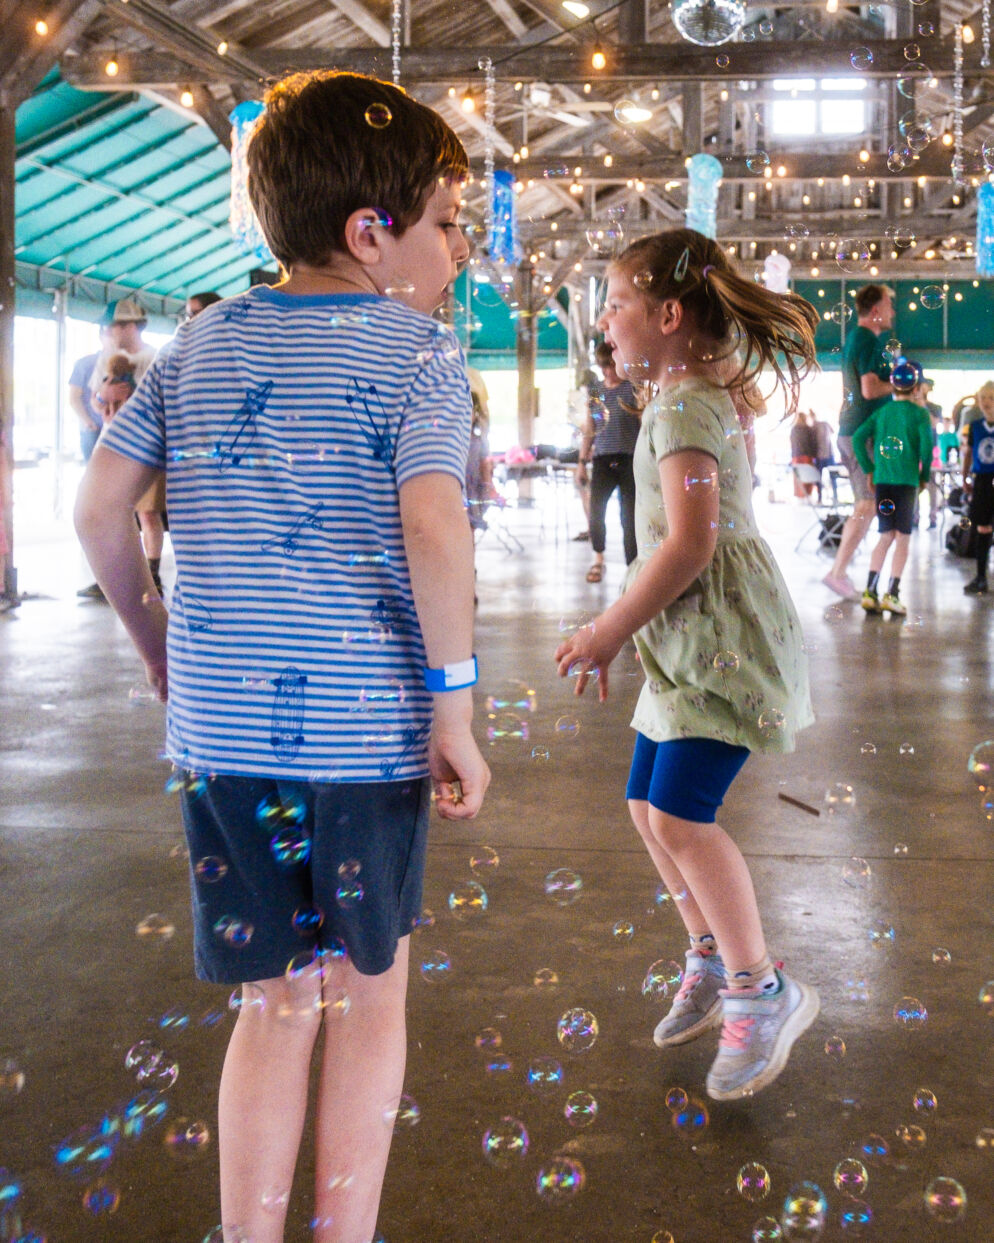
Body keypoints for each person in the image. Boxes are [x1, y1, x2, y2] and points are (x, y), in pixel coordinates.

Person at [75, 69, 491, 1243]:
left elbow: (101, 511)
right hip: (366, 740)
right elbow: (433, 524)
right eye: (447, 225)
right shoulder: (418, 357)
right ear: (372, 233)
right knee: (365, 1004)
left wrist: (159, 645)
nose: (457, 254)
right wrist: (453, 708)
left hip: (222, 741)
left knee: (273, 1007)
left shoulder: (194, 346)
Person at [554, 227, 820, 1102]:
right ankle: (709, 954)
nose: (604, 321)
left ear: (669, 315)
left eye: (617, 303)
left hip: (719, 645)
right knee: (644, 802)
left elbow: (692, 542)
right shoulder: (683, 391)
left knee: (679, 816)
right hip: (690, 640)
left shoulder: (682, 406)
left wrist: (607, 629)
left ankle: (758, 986)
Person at [823, 284, 895, 600]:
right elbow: (869, 389)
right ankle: (837, 573)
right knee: (866, 504)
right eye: (889, 304)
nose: (893, 310)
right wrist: (903, 382)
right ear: (876, 310)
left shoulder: (859, 339)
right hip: (859, 434)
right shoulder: (868, 339)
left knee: (866, 504)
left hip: (855, 432)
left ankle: (839, 571)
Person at [851, 360, 933, 617]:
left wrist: (869, 468)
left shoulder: (882, 412)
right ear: (916, 387)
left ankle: (870, 592)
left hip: (883, 481)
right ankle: (892, 594)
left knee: (885, 536)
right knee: (903, 539)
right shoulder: (920, 414)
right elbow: (927, 450)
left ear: (893, 385)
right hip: (907, 482)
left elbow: (857, 438)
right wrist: (924, 475)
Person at [580, 340, 640, 582]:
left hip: (629, 458)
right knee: (596, 512)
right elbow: (590, 425)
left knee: (629, 517)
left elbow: (642, 422)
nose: (607, 371)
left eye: (611, 365)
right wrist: (582, 461)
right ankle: (598, 558)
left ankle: (632, 567)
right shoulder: (595, 390)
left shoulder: (632, 388)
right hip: (603, 458)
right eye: (603, 366)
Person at [961, 380, 994, 594]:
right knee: (982, 528)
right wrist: (965, 478)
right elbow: (969, 454)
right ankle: (981, 577)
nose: (986, 403)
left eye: (991, 398)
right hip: (982, 481)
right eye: (983, 399)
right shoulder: (974, 427)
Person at [789, 410, 817, 497]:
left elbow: (792, 443)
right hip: (807, 456)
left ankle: (799, 495)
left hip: (796, 456)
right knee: (807, 476)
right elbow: (813, 443)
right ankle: (807, 495)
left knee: (798, 477)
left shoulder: (793, 429)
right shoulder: (808, 429)